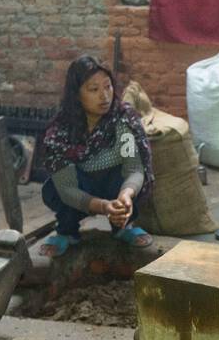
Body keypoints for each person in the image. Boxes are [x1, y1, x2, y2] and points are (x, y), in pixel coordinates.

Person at [38, 56, 155, 256]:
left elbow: (134, 169)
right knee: (56, 188)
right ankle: (67, 232)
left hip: (113, 187)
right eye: (94, 90)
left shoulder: (122, 121)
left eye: (108, 87)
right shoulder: (61, 131)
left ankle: (123, 227)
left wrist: (125, 195)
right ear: (76, 95)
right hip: (80, 188)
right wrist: (102, 206)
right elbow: (67, 189)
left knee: (126, 182)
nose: (104, 96)